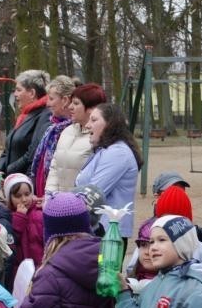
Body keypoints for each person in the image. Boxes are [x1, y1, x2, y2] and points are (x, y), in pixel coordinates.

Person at [75, 103, 141, 240]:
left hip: (108, 235)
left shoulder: (118, 153)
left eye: (94, 120)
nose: (87, 125)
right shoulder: (105, 150)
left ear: (110, 125)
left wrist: (61, 203)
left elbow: (93, 193)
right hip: (98, 231)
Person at [46, 83, 106, 196]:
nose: (70, 107)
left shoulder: (100, 138)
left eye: (76, 103)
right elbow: (54, 167)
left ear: (91, 108)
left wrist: (75, 203)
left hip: (81, 206)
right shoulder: (66, 131)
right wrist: (50, 195)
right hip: (58, 205)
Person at [0, 70, 52, 176]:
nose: (15, 94)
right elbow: (7, 150)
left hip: (23, 185)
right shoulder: (24, 116)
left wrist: (8, 172)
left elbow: (32, 153)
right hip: (10, 180)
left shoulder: (45, 115)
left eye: (18, 90)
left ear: (32, 93)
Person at [30, 75, 76, 196]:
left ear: (65, 100)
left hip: (59, 196)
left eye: (51, 99)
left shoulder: (72, 130)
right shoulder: (52, 128)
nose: (47, 104)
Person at [3, 173, 44, 269]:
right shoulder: (8, 217)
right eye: (18, 196)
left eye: (27, 194)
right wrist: (19, 217)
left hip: (39, 267)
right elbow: (12, 241)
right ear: (9, 198)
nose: (24, 199)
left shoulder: (39, 215)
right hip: (20, 270)